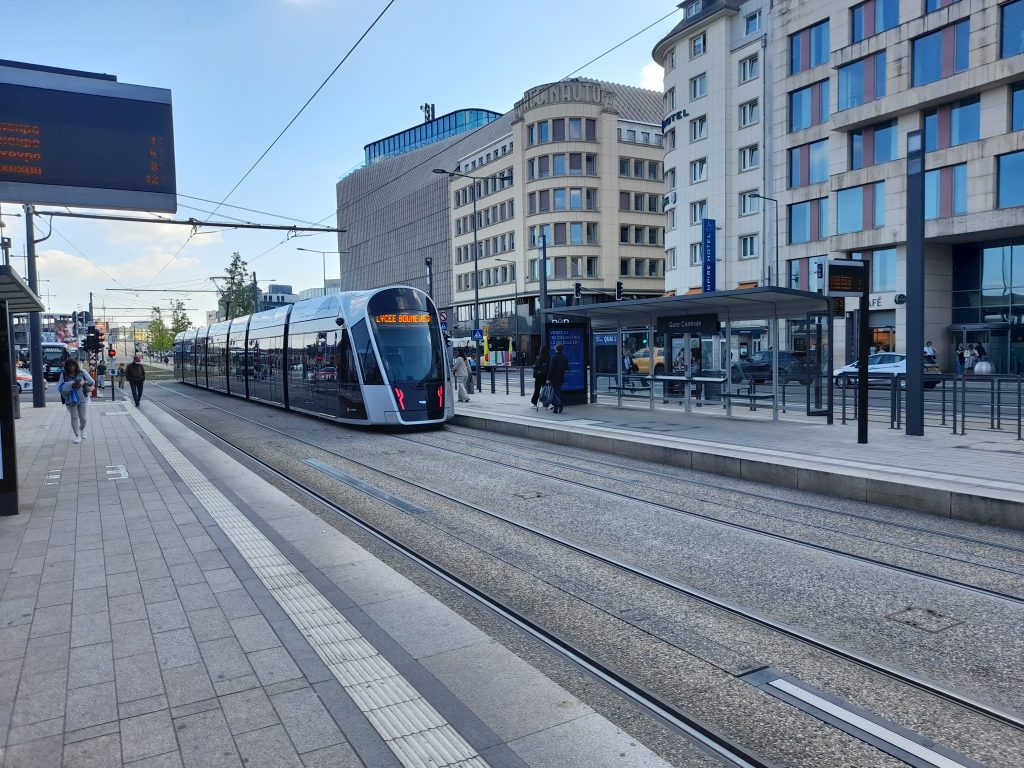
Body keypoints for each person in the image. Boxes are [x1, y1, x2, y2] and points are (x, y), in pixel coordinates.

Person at [57, 359, 95, 444]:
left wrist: (83, 382)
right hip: (70, 398)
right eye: (69, 366)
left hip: (82, 397)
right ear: (66, 367)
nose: (71, 368)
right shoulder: (63, 374)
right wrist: (70, 384)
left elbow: (92, 382)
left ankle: (82, 428)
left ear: (76, 365)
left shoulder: (82, 372)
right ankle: (77, 435)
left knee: (83, 418)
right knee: (74, 417)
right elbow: (60, 387)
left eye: (73, 365)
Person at [546, 343, 569, 414]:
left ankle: (560, 403)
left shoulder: (553, 357)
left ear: (556, 349)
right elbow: (567, 368)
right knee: (557, 392)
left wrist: (548, 378)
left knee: (554, 393)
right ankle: (555, 409)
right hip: (561, 377)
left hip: (554, 378)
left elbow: (551, 369)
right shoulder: (564, 357)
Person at [530, 345, 550, 411]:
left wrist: (534, 366)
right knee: (546, 391)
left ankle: (534, 403)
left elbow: (536, 366)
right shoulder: (548, 358)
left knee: (537, 390)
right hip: (545, 376)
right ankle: (547, 403)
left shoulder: (539, 357)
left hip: (539, 377)